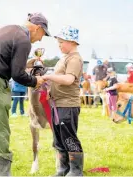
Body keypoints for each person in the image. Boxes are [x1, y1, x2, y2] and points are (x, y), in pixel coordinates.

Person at [0, 12, 50, 176]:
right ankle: (3, 174)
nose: (41, 39)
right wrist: (36, 81)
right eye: (43, 34)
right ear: (37, 28)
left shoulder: (6, 30)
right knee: (0, 130)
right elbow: (18, 74)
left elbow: (6, 60)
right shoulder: (23, 39)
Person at [42, 25, 84, 176]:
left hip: (67, 105)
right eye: (58, 42)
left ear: (72, 42)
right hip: (57, 105)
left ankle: (75, 171)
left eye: (62, 42)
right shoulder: (64, 58)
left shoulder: (74, 59)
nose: (59, 45)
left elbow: (68, 79)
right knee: (59, 139)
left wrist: (49, 77)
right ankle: (63, 169)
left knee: (69, 138)